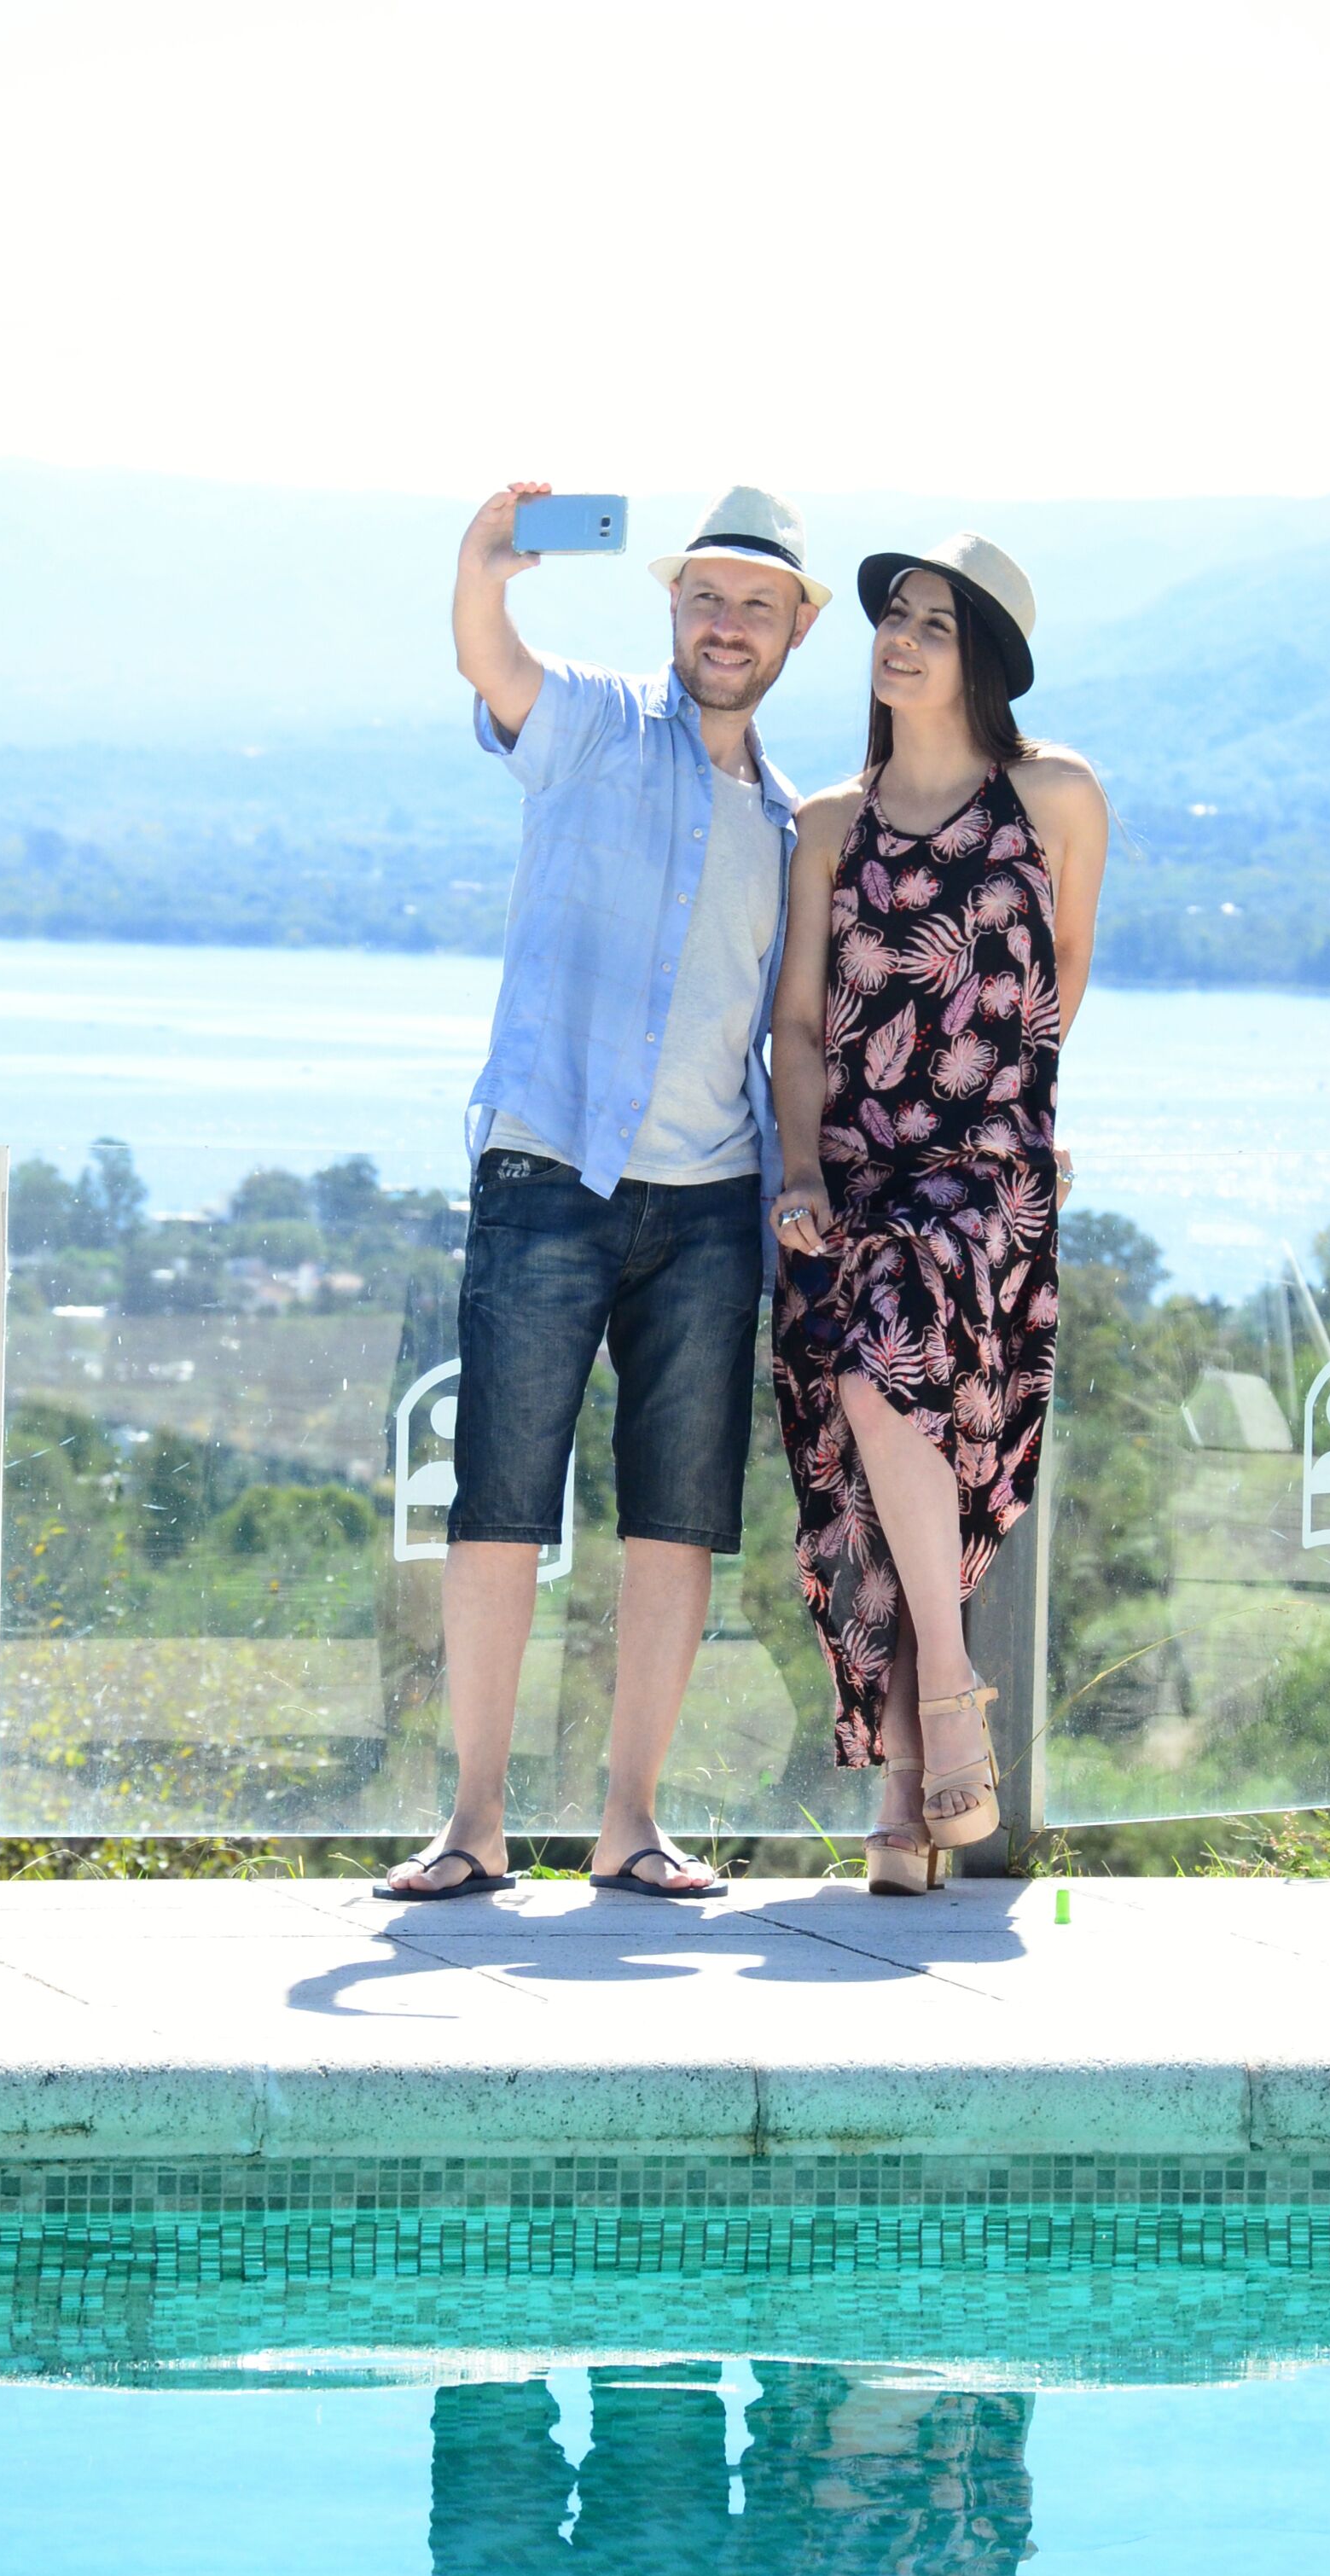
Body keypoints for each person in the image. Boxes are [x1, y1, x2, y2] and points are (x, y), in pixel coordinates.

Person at [380, 485, 827, 1901]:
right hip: (547, 1171)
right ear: (672, 608)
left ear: (795, 632)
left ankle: (630, 1823)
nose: (727, 623)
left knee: (675, 1519)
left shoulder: (789, 824)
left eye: (757, 604)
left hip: (708, 1202)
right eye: (706, 596)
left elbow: (803, 1030)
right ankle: (474, 1823)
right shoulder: (583, 722)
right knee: (500, 1498)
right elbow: (484, 660)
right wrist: (483, 568)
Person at [770, 535, 1107, 1893]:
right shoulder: (828, 828)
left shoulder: (1056, 797)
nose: (898, 640)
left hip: (985, 1186)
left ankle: (949, 1696)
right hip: (849, 1179)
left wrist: (1011, 1130)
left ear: (987, 660)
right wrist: (800, 1172)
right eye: (891, 618)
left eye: (934, 624)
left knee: (880, 1360)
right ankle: (912, 1794)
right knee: (871, 1463)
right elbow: (798, 1023)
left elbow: (1060, 975)